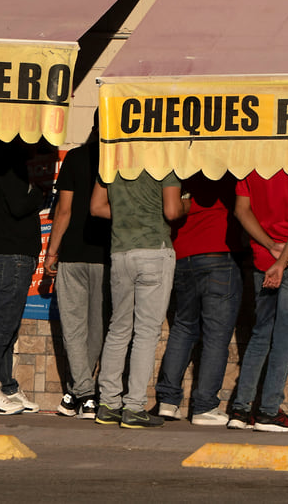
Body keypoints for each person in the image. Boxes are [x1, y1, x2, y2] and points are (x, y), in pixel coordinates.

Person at [227, 170, 288, 432]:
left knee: (261, 335)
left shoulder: (251, 166)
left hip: (263, 259)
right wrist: (282, 262)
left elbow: (241, 210)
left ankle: (241, 409)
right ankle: (269, 411)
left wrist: (271, 247)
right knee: (284, 339)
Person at [90, 170, 188, 429]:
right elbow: (171, 211)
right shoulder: (163, 164)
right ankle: (134, 407)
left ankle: (108, 404)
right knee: (146, 332)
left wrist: (127, 216)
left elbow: (97, 207)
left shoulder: (111, 162)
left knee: (118, 328)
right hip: (154, 250)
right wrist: (186, 203)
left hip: (120, 252)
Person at [154, 174, 244, 426]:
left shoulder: (181, 173)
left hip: (182, 255)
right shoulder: (230, 172)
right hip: (220, 253)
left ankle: (168, 401)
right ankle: (204, 406)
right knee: (216, 335)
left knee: (182, 328)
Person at [0, 139, 47, 415]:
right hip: (12, 256)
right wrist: (39, 193)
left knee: (9, 324)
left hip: (7, 255)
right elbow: (19, 205)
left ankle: (7, 387)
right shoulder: (8, 165)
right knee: (4, 324)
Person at [44, 128, 110, 420]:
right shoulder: (117, 159)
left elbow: (64, 210)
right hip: (106, 253)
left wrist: (51, 252)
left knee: (73, 327)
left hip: (72, 253)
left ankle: (80, 392)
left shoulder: (75, 157)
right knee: (97, 327)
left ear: (94, 127)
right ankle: (84, 393)